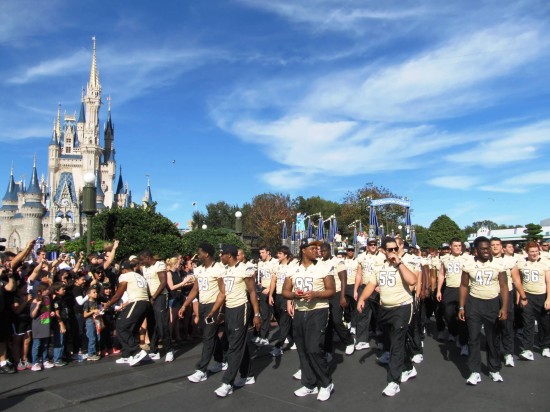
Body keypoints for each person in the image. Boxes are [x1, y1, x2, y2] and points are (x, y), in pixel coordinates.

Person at [357, 237, 418, 397]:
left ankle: (394, 381)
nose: (393, 252)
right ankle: (409, 367)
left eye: (395, 249)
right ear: (383, 251)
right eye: (389, 249)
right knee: (391, 341)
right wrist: (362, 299)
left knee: (397, 343)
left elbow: (413, 280)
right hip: (385, 309)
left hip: (403, 307)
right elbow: (371, 284)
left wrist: (399, 263)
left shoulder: (404, 264)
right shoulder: (379, 267)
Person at [282, 238, 335, 402]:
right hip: (299, 312)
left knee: (313, 348)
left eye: (317, 248)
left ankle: (326, 383)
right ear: (303, 250)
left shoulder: (324, 267)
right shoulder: (292, 268)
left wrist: (315, 294)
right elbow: (285, 291)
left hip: (318, 311)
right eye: (312, 248)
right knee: (303, 349)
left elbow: (331, 290)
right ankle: (309, 383)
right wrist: (293, 296)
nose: (316, 250)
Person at [459, 236, 508, 385]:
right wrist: (461, 306)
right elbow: (463, 286)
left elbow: (504, 286)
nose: (487, 251)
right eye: (483, 249)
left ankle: (494, 369)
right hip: (474, 304)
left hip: (492, 303)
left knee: (493, 339)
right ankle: (474, 371)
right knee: (473, 339)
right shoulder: (468, 265)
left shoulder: (499, 264)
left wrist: (504, 307)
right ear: (476, 251)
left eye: (489, 248)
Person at [214, 244, 261, 397]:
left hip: (241, 309)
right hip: (229, 310)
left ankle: (227, 382)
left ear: (230, 255)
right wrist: (218, 312)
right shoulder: (225, 270)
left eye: (222, 254)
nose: (220, 257)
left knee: (235, 346)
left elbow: (253, 292)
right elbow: (223, 293)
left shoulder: (244, 269)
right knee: (237, 343)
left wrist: (257, 314)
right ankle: (247, 375)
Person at [180, 242, 226, 383]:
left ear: (206, 254)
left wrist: (220, 311)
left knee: (208, 337)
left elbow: (223, 291)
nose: (197, 255)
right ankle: (220, 361)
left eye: (199, 253)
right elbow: (195, 289)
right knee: (210, 336)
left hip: (214, 306)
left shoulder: (218, 268)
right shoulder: (199, 270)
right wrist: (185, 305)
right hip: (203, 305)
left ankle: (202, 370)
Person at [104, 260, 150, 366]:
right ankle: (127, 355)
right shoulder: (140, 276)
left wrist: (108, 304)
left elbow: (118, 294)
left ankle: (136, 351)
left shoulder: (124, 276)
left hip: (136, 302)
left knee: (121, 327)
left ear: (124, 270)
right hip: (145, 302)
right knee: (131, 329)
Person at [511, 241, 550, 360]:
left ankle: (545, 346)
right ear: (527, 252)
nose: (534, 254)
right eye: (531, 251)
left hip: (542, 295)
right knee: (527, 323)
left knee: (545, 323)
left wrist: (549, 298)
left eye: (536, 251)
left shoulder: (545, 262)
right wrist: (519, 295)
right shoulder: (522, 262)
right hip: (527, 296)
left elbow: (549, 282)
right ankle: (527, 349)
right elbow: (518, 279)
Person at [319, 242, 355, 358]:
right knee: (326, 324)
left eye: (324, 251)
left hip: (337, 293)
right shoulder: (320, 262)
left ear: (329, 250)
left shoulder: (337, 262)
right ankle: (327, 351)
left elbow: (343, 279)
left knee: (336, 320)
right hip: (324, 295)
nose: (322, 253)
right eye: (321, 251)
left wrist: (343, 296)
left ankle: (349, 341)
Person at [437, 238, 470, 356]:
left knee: (463, 316)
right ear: (450, 247)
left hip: (464, 289)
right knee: (448, 314)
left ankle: (464, 343)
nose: (458, 248)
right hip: (450, 289)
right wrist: (439, 290)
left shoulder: (467, 258)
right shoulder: (445, 259)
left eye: (459, 246)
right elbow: (441, 274)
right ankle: (454, 332)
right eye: (455, 246)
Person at [140, 250, 173, 362]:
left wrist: (154, 297)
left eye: (143, 259)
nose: (142, 262)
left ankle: (169, 350)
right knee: (151, 324)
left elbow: (163, 282)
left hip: (160, 297)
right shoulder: (145, 268)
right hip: (150, 298)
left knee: (162, 324)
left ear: (148, 257)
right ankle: (154, 350)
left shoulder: (159, 265)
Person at [355, 238, 385, 351]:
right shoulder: (361, 257)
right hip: (364, 286)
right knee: (362, 313)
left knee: (379, 315)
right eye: (370, 244)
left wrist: (381, 285)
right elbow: (359, 274)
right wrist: (355, 290)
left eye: (375, 244)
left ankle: (381, 340)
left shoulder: (383, 256)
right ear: (367, 245)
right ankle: (362, 340)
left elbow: (386, 271)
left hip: (377, 288)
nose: (373, 246)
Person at [270, 246, 295, 357]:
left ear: (285, 255)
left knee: (285, 320)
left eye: (280, 253)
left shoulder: (292, 266)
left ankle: (278, 346)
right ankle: (293, 338)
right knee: (279, 317)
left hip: (287, 296)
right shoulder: (276, 266)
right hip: (278, 295)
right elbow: (273, 281)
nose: (278, 255)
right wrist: (271, 295)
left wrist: (291, 298)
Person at [255, 246, 276, 346]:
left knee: (278, 314)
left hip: (272, 290)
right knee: (264, 314)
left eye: (263, 252)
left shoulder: (274, 262)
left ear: (268, 252)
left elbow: (275, 277)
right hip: (263, 290)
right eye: (260, 253)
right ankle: (264, 336)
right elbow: (261, 276)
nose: (261, 254)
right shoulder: (260, 263)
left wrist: (270, 289)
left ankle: (289, 335)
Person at [30, 282, 54, 371]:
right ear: (42, 291)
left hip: (45, 323)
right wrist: (37, 306)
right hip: (37, 325)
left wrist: (50, 314)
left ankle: (45, 360)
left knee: (45, 344)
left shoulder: (47, 298)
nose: (49, 291)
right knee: (37, 344)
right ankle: (35, 362)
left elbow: (46, 312)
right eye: (47, 289)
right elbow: (32, 315)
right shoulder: (35, 300)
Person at [82, 287, 102, 361]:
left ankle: (96, 351)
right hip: (90, 321)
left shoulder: (95, 301)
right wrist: (93, 311)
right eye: (94, 292)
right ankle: (90, 353)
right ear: (89, 294)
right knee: (92, 337)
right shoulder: (87, 303)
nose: (96, 293)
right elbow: (85, 315)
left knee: (98, 336)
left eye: (96, 292)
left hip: (96, 320)